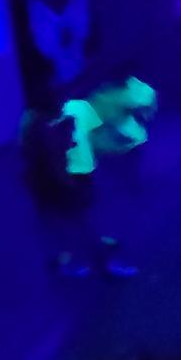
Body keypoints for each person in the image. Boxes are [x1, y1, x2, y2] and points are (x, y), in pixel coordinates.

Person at [20, 78, 134, 278]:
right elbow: (55, 158)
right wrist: (71, 183)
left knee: (63, 225)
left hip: (51, 185)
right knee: (83, 223)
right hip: (59, 184)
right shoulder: (45, 127)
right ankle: (105, 263)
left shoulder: (37, 124)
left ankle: (68, 261)